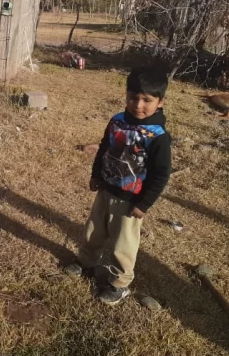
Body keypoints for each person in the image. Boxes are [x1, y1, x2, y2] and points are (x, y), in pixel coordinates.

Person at [64, 66, 172, 305]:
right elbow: (104, 148)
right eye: (134, 97)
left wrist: (144, 203)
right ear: (126, 95)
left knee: (123, 243)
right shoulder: (117, 121)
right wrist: (96, 175)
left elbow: (161, 173)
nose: (138, 104)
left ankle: (119, 283)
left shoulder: (158, 137)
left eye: (147, 100)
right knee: (94, 231)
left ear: (160, 102)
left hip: (131, 200)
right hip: (106, 190)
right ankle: (86, 262)